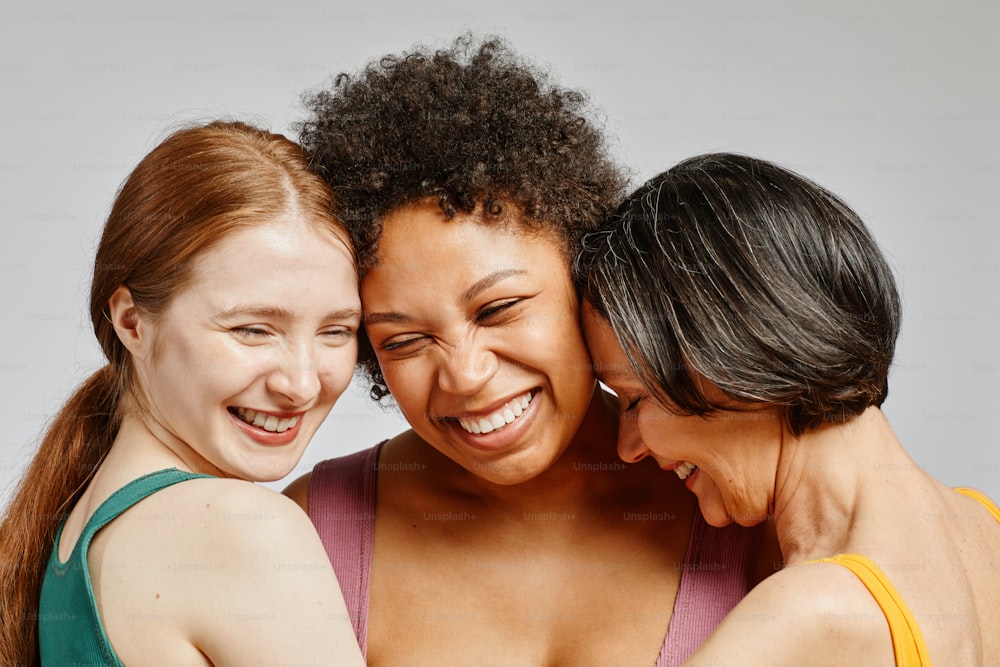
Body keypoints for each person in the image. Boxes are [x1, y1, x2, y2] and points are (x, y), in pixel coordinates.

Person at [286, 37, 774, 666]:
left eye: (498, 310)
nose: (465, 376)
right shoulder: (311, 534)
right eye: (404, 341)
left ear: (582, 277)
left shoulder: (735, 499)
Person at [577, 152, 1000, 666]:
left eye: (636, 399)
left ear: (732, 354)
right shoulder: (985, 527)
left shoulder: (808, 618)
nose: (627, 447)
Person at [0, 121, 365, 666]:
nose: (303, 384)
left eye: (336, 331)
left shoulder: (74, 535)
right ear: (132, 323)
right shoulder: (239, 531)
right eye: (252, 329)